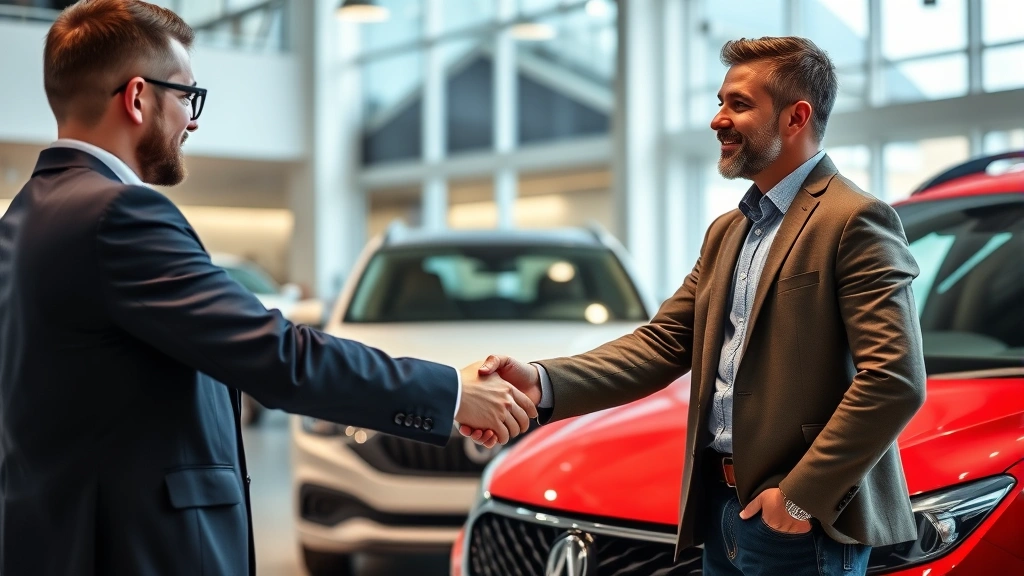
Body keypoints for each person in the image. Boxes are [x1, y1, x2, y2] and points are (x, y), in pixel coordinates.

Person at [0, 1, 536, 575]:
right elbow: (278, 356)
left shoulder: (26, 215)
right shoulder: (118, 215)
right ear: (137, 98)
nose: (193, 118)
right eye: (186, 96)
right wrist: (450, 392)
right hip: (136, 548)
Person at [463, 36, 926, 575]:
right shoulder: (730, 230)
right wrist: (542, 381)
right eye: (719, 101)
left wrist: (800, 499)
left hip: (798, 524)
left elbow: (894, 379)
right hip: (719, 509)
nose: (717, 120)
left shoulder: (854, 220)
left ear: (796, 117)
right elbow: (662, 343)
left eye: (739, 104)